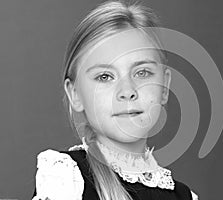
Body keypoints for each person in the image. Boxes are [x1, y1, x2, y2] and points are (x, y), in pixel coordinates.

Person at [32, 0, 198, 199]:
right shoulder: (65, 181)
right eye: (104, 77)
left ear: (164, 86)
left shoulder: (184, 196)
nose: (127, 91)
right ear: (75, 94)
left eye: (142, 72)